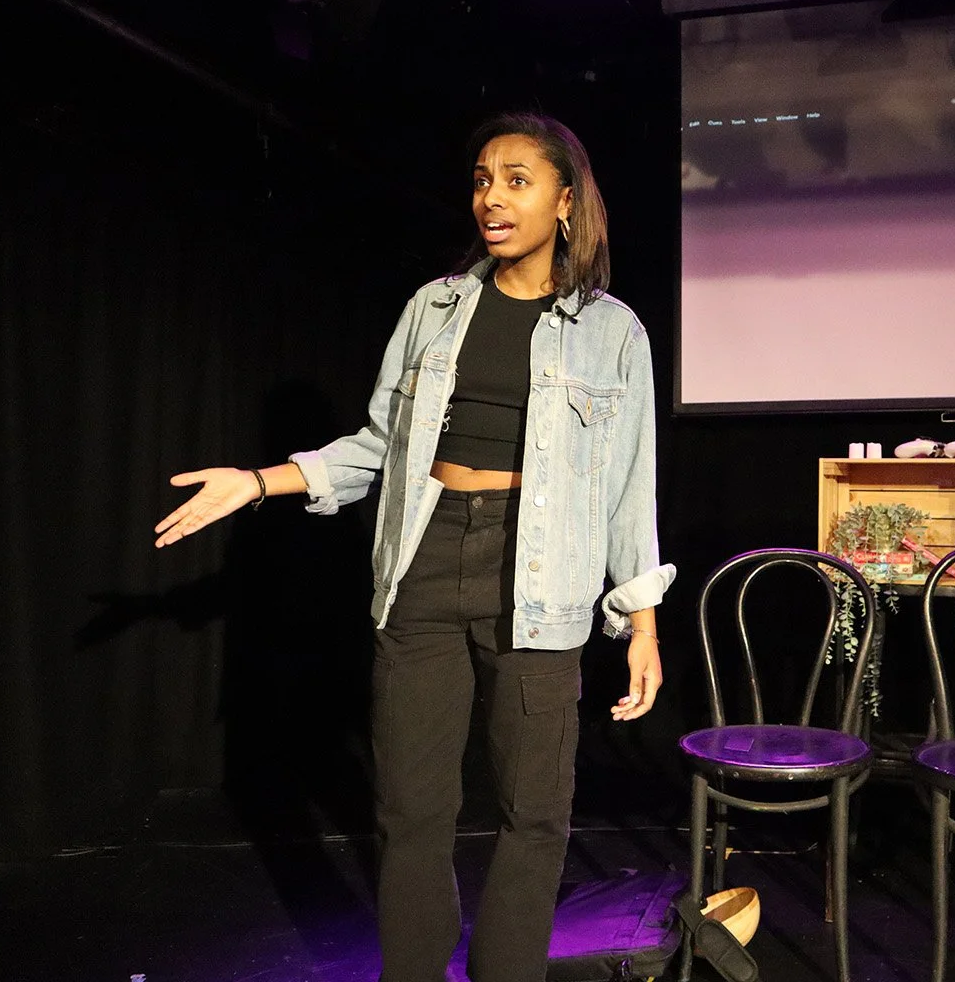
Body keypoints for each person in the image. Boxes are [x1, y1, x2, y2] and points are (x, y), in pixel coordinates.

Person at [153, 112, 674, 982]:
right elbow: (379, 443)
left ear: (567, 201)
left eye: (516, 179)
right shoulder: (434, 310)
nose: (492, 198)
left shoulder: (611, 330)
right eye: (481, 179)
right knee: (412, 809)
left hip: (542, 575)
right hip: (425, 563)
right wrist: (258, 481)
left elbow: (629, 485)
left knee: (534, 814)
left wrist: (642, 619)